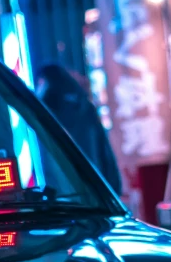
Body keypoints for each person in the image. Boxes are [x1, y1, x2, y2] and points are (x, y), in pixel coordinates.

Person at [35, 62, 122, 194]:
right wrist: (114, 184)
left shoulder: (46, 114)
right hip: (96, 186)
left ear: (45, 82)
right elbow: (104, 150)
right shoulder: (85, 107)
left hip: (65, 194)